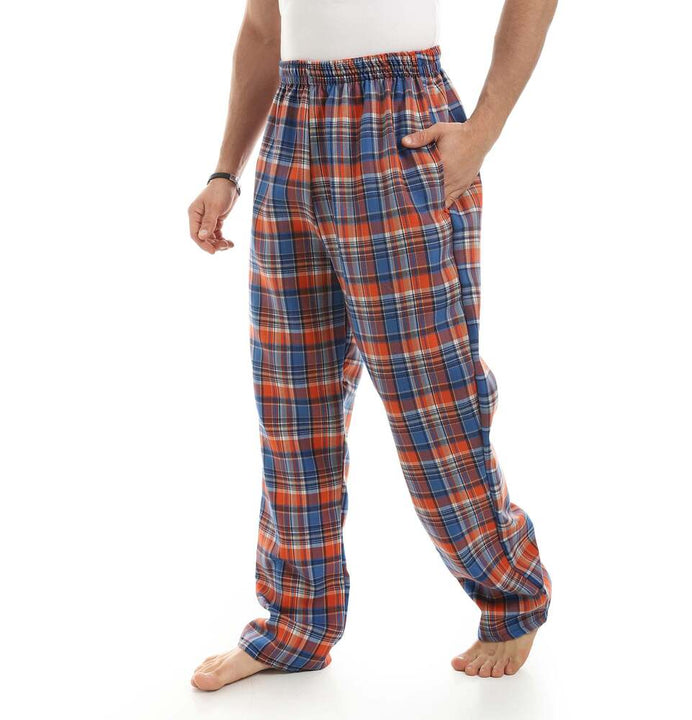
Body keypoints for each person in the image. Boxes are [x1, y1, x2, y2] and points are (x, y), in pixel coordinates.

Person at [187, 0, 557, 690]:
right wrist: (224, 171)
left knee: (432, 403)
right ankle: (295, 623)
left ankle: (512, 593)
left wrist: (481, 133)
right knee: (293, 404)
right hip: (291, 133)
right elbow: (265, 26)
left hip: (399, 128)